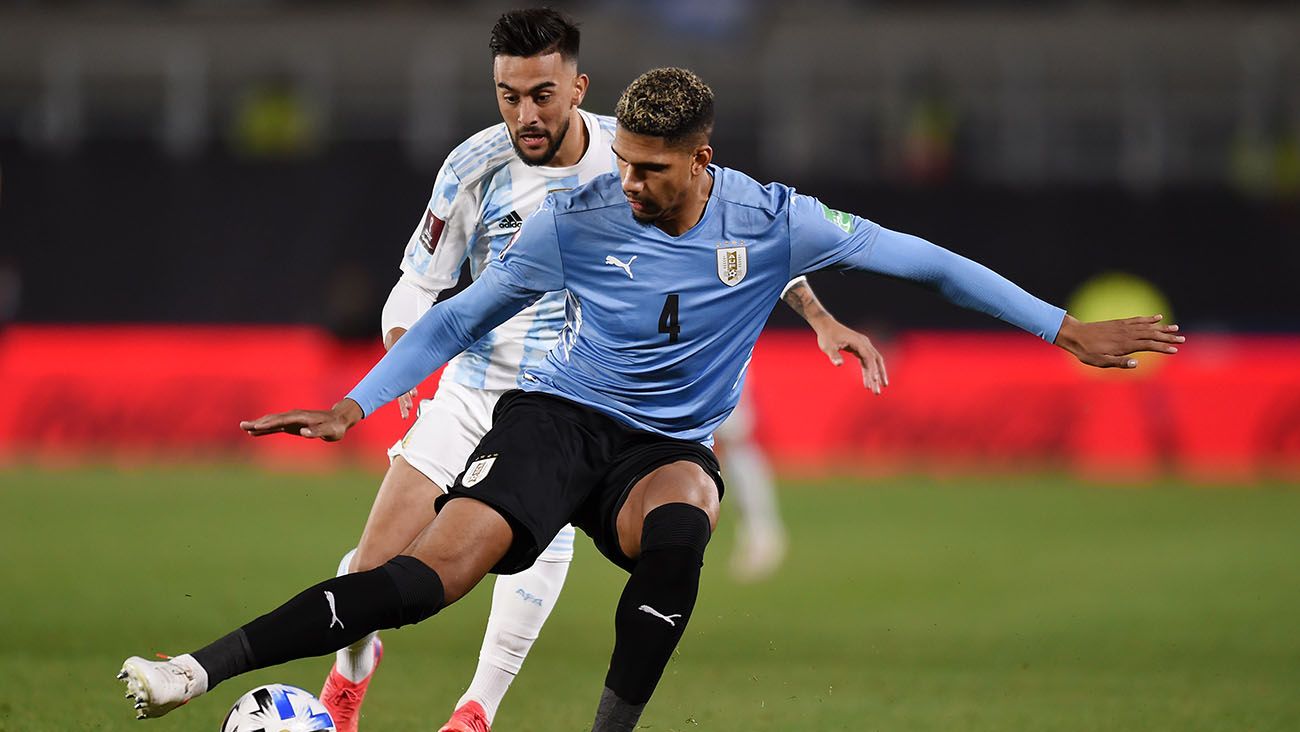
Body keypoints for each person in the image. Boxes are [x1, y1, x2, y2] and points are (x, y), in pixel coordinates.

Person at [119, 67, 1182, 731]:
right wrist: (357, 403)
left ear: (701, 160)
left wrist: (1062, 328)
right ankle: (195, 671)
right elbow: (458, 319)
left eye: (651, 171)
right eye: (623, 162)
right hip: (555, 420)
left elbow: (929, 262)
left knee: (680, 538)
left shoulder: (774, 220)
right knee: (421, 580)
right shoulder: (578, 218)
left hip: (663, 445)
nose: (627, 184)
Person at [303, 11, 884, 732]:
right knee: (371, 571)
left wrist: (817, 313)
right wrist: (403, 363)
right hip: (472, 389)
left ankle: (475, 711)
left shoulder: (633, 151)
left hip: (574, 397)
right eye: (508, 95)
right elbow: (417, 287)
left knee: (531, 557)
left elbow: (745, 231)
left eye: (541, 93)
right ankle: (347, 685)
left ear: (576, 88)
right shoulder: (472, 167)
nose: (526, 112)